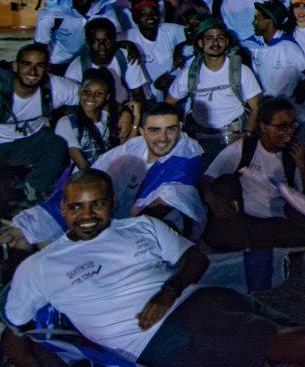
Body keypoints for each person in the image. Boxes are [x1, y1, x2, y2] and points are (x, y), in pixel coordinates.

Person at [2, 170, 305, 367]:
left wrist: (168, 291)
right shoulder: (40, 267)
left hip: (199, 301)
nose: (88, 215)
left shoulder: (139, 228)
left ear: (111, 204)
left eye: (98, 204)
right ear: (62, 209)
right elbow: (14, 336)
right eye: (77, 207)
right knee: (277, 348)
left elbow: (194, 259)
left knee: (277, 344)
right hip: (155, 337)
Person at [5, 102, 207, 248]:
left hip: (153, 229)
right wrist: (29, 225)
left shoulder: (189, 154)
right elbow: (89, 183)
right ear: (143, 131)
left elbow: (158, 209)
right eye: (155, 130)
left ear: (179, 129)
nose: (163, 138)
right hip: (115, 222)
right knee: (22, 237)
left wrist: (104, 240)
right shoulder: (131, 148)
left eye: (170, 129)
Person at [200, 99, 305, 251]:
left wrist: (303, 167)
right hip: (242, 218)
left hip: (276, 221)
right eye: (282, 127)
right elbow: (207, 179)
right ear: (263, 127)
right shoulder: (244, 148)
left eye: (292, 125)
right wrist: (214, 200)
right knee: (225, 184)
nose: (289, 132)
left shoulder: (295, 154)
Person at [166, 16, 263, 163]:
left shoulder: (241, 70)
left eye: (220, 38)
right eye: (209, 38)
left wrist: (247, 134)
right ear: (200, 42)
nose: (215, 43)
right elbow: (168, 104)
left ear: (227, 42)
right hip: (201, 140)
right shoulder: (190, 73)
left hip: (234, 137)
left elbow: (257, 107)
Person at [0, 43, 75, 209]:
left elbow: (90, 93)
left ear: (47, 68)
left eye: (39, 66)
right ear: (15, 66)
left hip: (32, 142)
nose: (32, 72)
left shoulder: (56, 86)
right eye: (27, 64)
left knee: (56, 145)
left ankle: (34, 189)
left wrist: (125, 112)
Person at [34, 0, 119, 70]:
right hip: (57, 63)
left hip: (87, 62)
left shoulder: (105, 9)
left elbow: (116, 38)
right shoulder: (53, 12)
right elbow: (40, 46)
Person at [55, 68, 129, 170]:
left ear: (107, 96)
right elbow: (82, 165)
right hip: (83, 179)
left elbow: (125, 150)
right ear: (80, 92)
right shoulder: (67, 123)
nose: (91, 97)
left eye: (99, 93)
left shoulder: (108, 119)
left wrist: (134, 117)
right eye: (86, 91)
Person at [124, 0, 188, 102]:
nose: (150, 17)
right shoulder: (129, 36)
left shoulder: (170, 30)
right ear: (135, 18)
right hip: (146, 97)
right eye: (143, 14)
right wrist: (126, 44)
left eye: (154, 12)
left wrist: (180, 47)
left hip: (175, 93)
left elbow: (198, 34)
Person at [243, 0, 305, 103]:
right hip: (265, 105)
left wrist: (303, 86)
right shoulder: (254, 43)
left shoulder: (288, 46)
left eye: (257, 19)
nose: (253, 22)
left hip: (286, 106)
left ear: (269, 22)